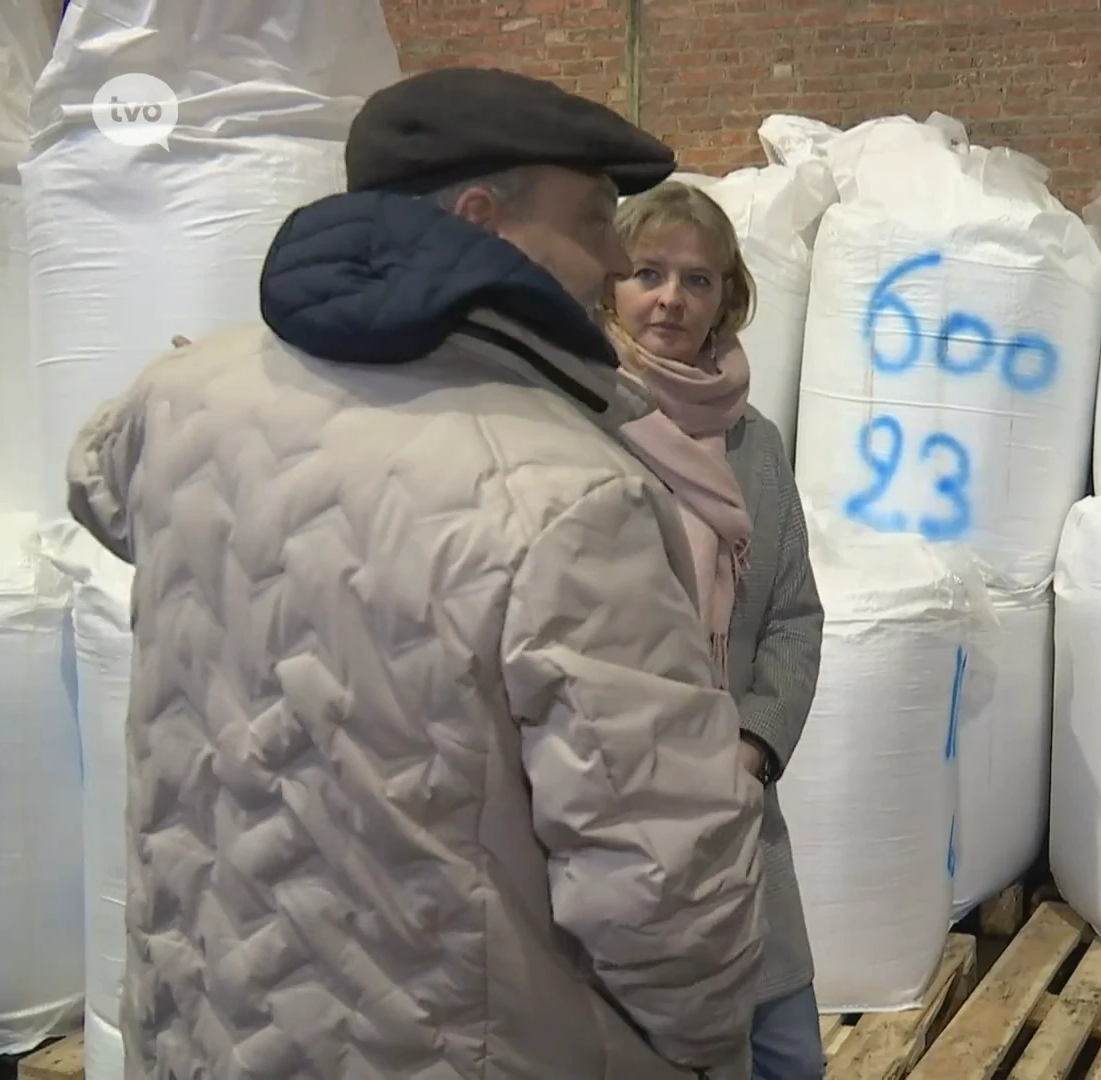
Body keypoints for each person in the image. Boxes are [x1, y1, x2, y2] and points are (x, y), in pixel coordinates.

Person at [63, 67, 765, 1080]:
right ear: (484, 219)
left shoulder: (178, 400)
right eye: (594, 219)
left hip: (207, 1022)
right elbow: (663, 884)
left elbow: (97, 486)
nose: (616, 255)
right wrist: (709, 1052)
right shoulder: (565, 494)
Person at [601, 180, 827, 1080]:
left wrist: (753, 744)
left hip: (737, 802)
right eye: (647, 273)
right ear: (608, 288)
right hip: (616, 806)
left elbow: (796, 617)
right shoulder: (581, 424)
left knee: (786, 1057)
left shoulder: (754, 444)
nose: (670, 299)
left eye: (698, 281)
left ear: (726, 298)